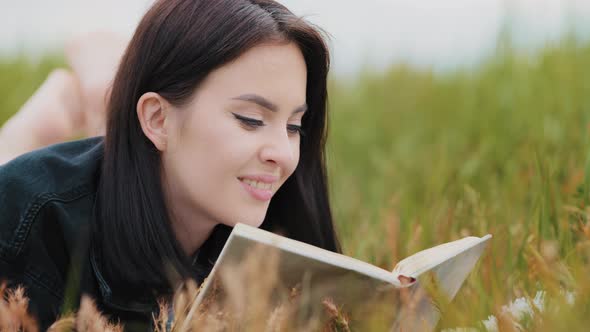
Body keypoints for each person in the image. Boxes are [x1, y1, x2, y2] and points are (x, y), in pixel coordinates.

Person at [0, 0, 340, 330]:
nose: (282, 153)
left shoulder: (281, 223)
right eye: (250, 119)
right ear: (158, 118)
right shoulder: (27, 221)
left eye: (294, 126)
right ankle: (37, 125)